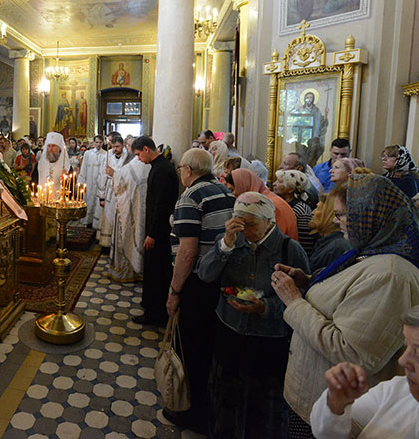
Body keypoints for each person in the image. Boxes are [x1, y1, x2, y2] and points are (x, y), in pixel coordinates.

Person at [272, 174, 419, 436]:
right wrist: (308, 282)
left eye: (343, 215)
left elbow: (352, 353)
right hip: (319, 396)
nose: (337, 221)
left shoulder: (392, 276)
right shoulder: (374, 251)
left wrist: (294, 301)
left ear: (372, 216)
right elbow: (351, 298)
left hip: (339, 408)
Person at [196, 192, 310, 438]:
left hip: (268, 340)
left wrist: (265, 307)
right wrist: (225, 244)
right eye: (239, 223)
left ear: (270, 222)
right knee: (225, 399)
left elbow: (304, 304)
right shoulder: (232, 241)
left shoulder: (290, 250)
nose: (244, 230)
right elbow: (204, 274)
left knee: (262, 409)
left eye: (251, 224)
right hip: (230, 331)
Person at [163, 148, 236, 433]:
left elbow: (187, 252)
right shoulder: (224, 191)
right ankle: (208, 407)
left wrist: (175, 290)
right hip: (217, 279)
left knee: (192, 349)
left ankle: (193, 413)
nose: (180, 172)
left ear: (190, 170)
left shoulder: (191, 197)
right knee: (207, 346)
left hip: (196, 282)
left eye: (182, 167)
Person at [310, 299, 419, 438]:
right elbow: (330, 433)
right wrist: (337, 402)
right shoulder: (397, 390)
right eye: (406, 346)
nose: (402, 361)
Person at [131, 135, 179, 326]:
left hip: (159, 232)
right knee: (152, 270)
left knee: (157, 272)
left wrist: (152, 234)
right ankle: (150, 306)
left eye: (138, 154)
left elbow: (161, 206)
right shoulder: (160, 167)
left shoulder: (161, 171)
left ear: (146, 149)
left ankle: (155, 314)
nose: (138, 159)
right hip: (157, 228)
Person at [106, 143, 151, 283]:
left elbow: (121, 180)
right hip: (140, 207)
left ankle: (126, 271)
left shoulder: (137, 163)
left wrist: (113, 173)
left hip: (131, 207)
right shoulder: (144, 164)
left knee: (128, 234)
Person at [224, 168, 299, 240]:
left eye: (232, 190)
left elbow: (271, 240)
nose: (232, 194)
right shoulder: (263, 199)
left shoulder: (267, 204)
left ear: (244, 186)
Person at [307, 191, 352, 272]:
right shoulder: (324, 239)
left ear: (329, 215)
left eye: (318, 208)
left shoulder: (338, 247)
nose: (312, 212)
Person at [274, 169, 316, 254]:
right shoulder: (280, 204)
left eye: (280, 182)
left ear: (290, 189)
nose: (274, 184)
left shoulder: (301, 209)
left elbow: (305, 244)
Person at [97, 135, 127, 250]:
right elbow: (102, 175)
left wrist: (115, 173)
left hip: (122, 192)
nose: (115, 149)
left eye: (118, 146)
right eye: (113, 146)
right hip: (110, 190)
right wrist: (102, 196)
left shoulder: (127, 157)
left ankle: (119, 245)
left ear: (123, 146)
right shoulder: (108, 155)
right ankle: (106, 244)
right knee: (108, 217)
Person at [77, 135, 106, 228]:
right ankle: (88, 222)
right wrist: (81, 182)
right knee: (88, 201)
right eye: (97, 142)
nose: (98, 144)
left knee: (97, 204)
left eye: (100, 142)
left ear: (103, 143)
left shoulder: (105, 154)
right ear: (94, 142)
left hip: (99, 183)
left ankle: (96, 225)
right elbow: (84, 168)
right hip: (89, 182)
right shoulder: (88, 154)